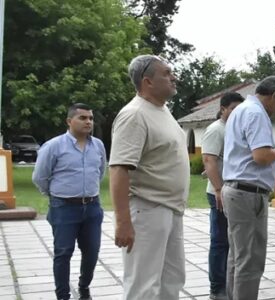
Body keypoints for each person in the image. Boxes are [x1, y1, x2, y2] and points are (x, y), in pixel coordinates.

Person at [110, 54, 189, 299]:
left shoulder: (162, 111)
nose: (173, 77)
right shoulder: (134, 114)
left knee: (171, 281)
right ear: (147, 81)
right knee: (143, 287)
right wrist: (123, 222)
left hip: (170, 210)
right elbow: (119, 168)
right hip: (147, 210)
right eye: (166, 73)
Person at [221, 76, 275, 299]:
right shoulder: (256, 113)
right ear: (273, 96)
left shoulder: (242, 109)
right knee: (250, 260)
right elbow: (261, 156)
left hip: (237, 190)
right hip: (247, 194)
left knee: (237, 257)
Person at [32, 103, 106, 300]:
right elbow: (40, 176)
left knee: (92, 252)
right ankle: (63, 295)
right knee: (63, 253)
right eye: (82, 118)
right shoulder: (54, 146)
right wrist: (55, 195)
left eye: (90, 118)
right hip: (64, 207)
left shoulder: (98, 145)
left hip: (92, 207)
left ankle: (84, 287)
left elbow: (100, 172)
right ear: (69, 121)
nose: (88, 122)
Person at [200, 92, 244, 299]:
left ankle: (229, 283)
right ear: (223, 109)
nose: (236, 112)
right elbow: (208, 160)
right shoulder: (216, 130)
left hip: (234, 192)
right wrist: (218, 190)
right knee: (220, 241)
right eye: (233, 108)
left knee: (232, 241)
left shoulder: (235, 129)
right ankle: (217, 288)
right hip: (219, 192)